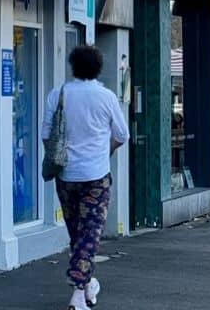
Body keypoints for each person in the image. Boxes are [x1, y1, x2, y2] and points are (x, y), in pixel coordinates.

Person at [42, 45, 129, 310]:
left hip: (66, 176)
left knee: (77, 233)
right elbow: (122, 135)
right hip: (96, 176)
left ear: (73, 66)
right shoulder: (106, 97)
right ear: (98, 68)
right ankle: (79, 292)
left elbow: (46, 135)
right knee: (90, 234)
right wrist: (105, 150)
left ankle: (88, 284)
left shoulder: (58, 94)